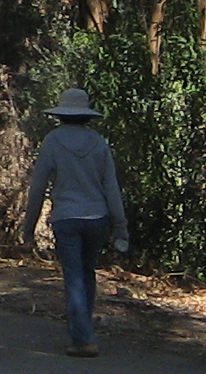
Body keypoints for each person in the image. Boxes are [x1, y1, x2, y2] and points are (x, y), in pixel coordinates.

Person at [20, 86, 130, 356]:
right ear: (87, 115)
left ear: (61, 115)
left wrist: (29, 227)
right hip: (97, 218)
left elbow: (38, 188)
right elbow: (111, 187)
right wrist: (120, 226)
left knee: (73, 277)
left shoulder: (52, 142)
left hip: (66, 218)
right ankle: (83, 329)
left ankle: (83, 338)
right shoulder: (99, 143)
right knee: (87, 273)